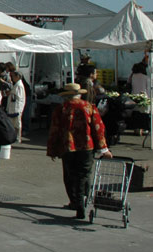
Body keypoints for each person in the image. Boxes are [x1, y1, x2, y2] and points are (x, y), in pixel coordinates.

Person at [47, 82, 112, 219]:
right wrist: (103, 148)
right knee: (84, 175)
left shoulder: (61, 109)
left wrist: (52, 149)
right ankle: (83, 199)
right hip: (86, 146)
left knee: (70, 175)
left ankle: (75, 201)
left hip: (68, 147)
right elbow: (98, 128)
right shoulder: (89, 107)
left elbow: (54, 130)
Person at [5, 68, 26, 143]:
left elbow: (18, 97)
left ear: (18, 76)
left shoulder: (19, 85)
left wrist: (10, 92)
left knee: (17, 123)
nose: (12, 78)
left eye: (13, 76)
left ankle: (18, 137)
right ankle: (14, 136)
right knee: (13, 123)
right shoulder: (16, 85)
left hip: (17, 107)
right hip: (13, 107)